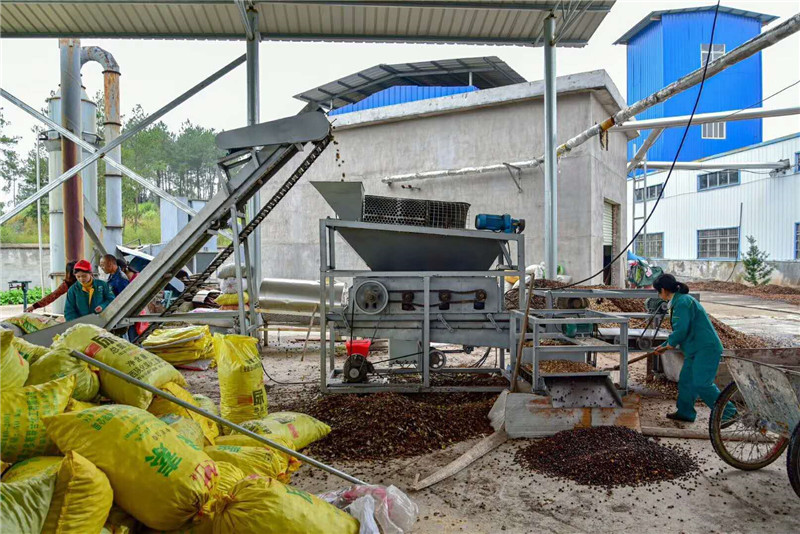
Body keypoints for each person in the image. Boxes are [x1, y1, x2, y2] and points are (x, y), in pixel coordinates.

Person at [653, 274, 736, 424]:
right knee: (686, 381)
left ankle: (729, 413)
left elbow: (681, 330)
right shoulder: (680, 300)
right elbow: (681, 330)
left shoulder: (682, 302)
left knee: (702, 383)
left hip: (706, 348)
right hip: (694, 349)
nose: (658, 295)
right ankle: (685, 412)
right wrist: (665, 345)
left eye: (658, 291)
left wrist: (668, 345)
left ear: (663, 290)